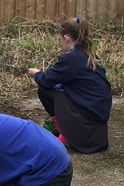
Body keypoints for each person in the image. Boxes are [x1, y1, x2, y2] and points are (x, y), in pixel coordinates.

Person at [28, 16, 112, 153]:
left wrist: (36, 74)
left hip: (87, 116)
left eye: (60, 39)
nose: (60, 43)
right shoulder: (89, 55)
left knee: (45, 91)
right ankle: (64, 130)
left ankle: (64, 134)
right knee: (60, 88)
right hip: (97, 113)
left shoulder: (71, 58)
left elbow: (46, 80)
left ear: (66, 38)